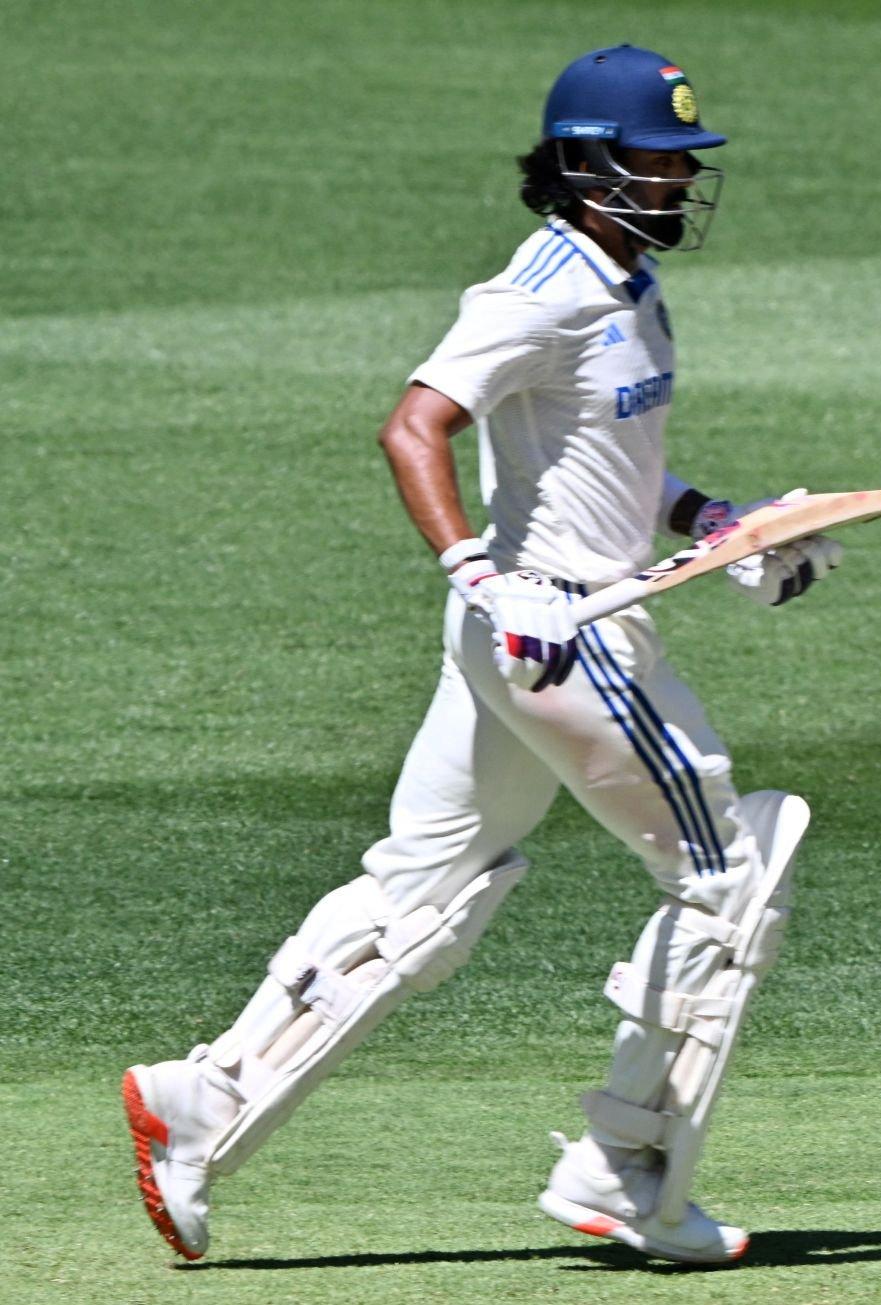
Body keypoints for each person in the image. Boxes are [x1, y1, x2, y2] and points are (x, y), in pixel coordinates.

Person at [122, 44, 841, 1266]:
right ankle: (620, 1164)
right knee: (728, 873)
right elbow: (416, 426)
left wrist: (713, 521)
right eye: (654, 158)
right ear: (582, 165)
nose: (676, 178)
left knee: (425, 896)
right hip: (554, 636)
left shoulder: (630, 287)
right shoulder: (540, 287)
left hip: (551, 627)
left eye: (682, 160)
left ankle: (202, 1100)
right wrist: (484, 576)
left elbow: (604, 467)